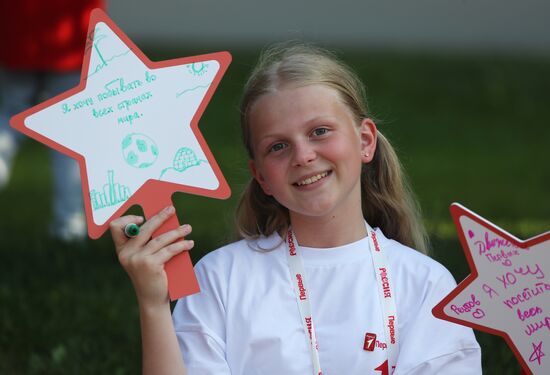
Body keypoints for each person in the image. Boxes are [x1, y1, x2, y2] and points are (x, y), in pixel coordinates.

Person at [110, 44, 482, 374]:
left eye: (320, 131)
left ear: (365, 141)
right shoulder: (221, 279)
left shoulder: (425, 285)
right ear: (262, 177)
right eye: (278, 146)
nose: (303, 156)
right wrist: (154, 304)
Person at [0, 0, 105, 241]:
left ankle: (69, 223)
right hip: (69, 31)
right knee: (70, 132)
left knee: (11, 113)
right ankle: (69, 223)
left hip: (18, 24)